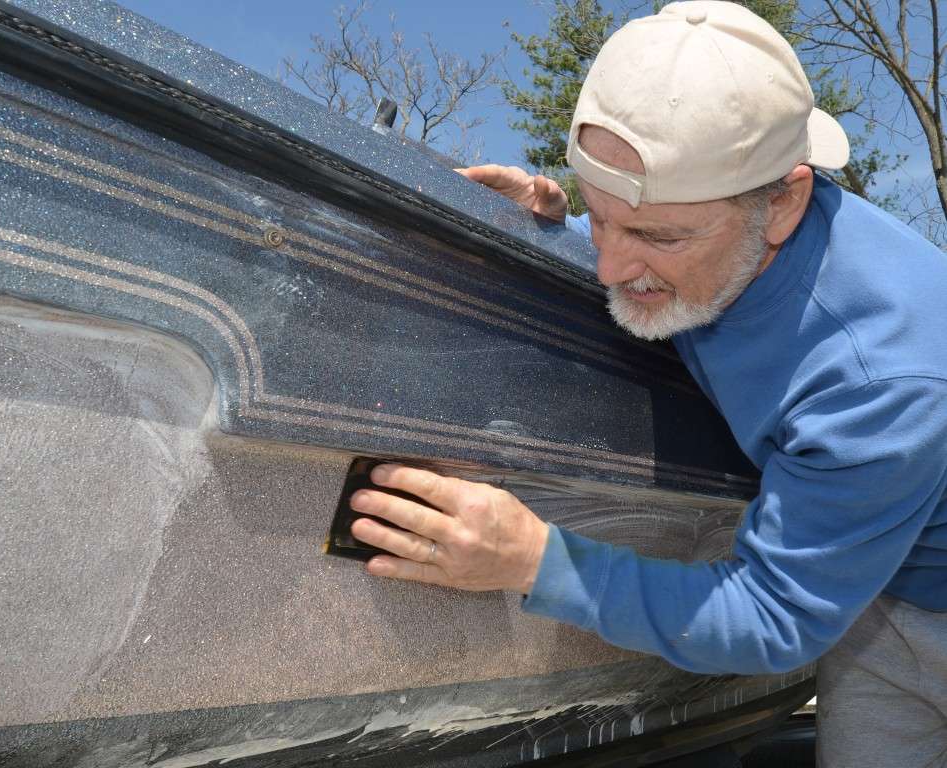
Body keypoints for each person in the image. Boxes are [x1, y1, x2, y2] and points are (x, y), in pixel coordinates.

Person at [346, 2, 947, 765]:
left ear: (784, 203)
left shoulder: (883, 376)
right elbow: (646, 260)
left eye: (655, 236)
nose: (609, 267)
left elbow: (773, 617)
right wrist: (542, 235)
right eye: (601, 218)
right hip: (872, 590)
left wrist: (534, 561)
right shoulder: (720, 238)